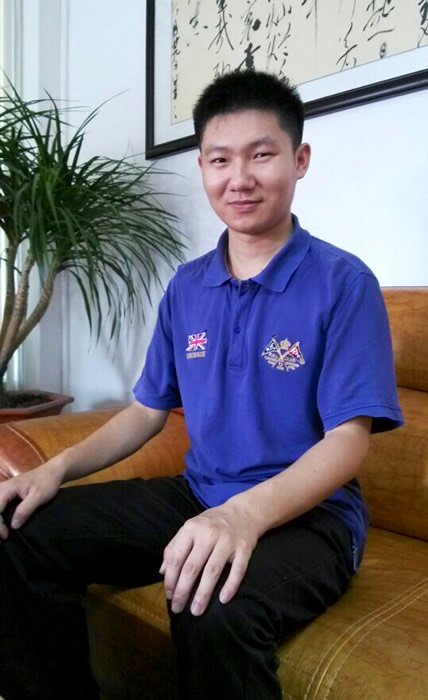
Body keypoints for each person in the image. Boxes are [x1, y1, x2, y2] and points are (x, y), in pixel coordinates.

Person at [0, 70, 403, 700]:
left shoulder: (344, 284)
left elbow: (348, 442)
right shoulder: (187, 287)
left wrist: (243, 515)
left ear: (299, 160)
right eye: (220, 159)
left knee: (210, 600)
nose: (239, 178)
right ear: (203, 167)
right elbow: (145, 412)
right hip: (199, 495)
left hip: (312, 518)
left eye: (261, 155)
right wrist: (54, 470)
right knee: (22, 534)